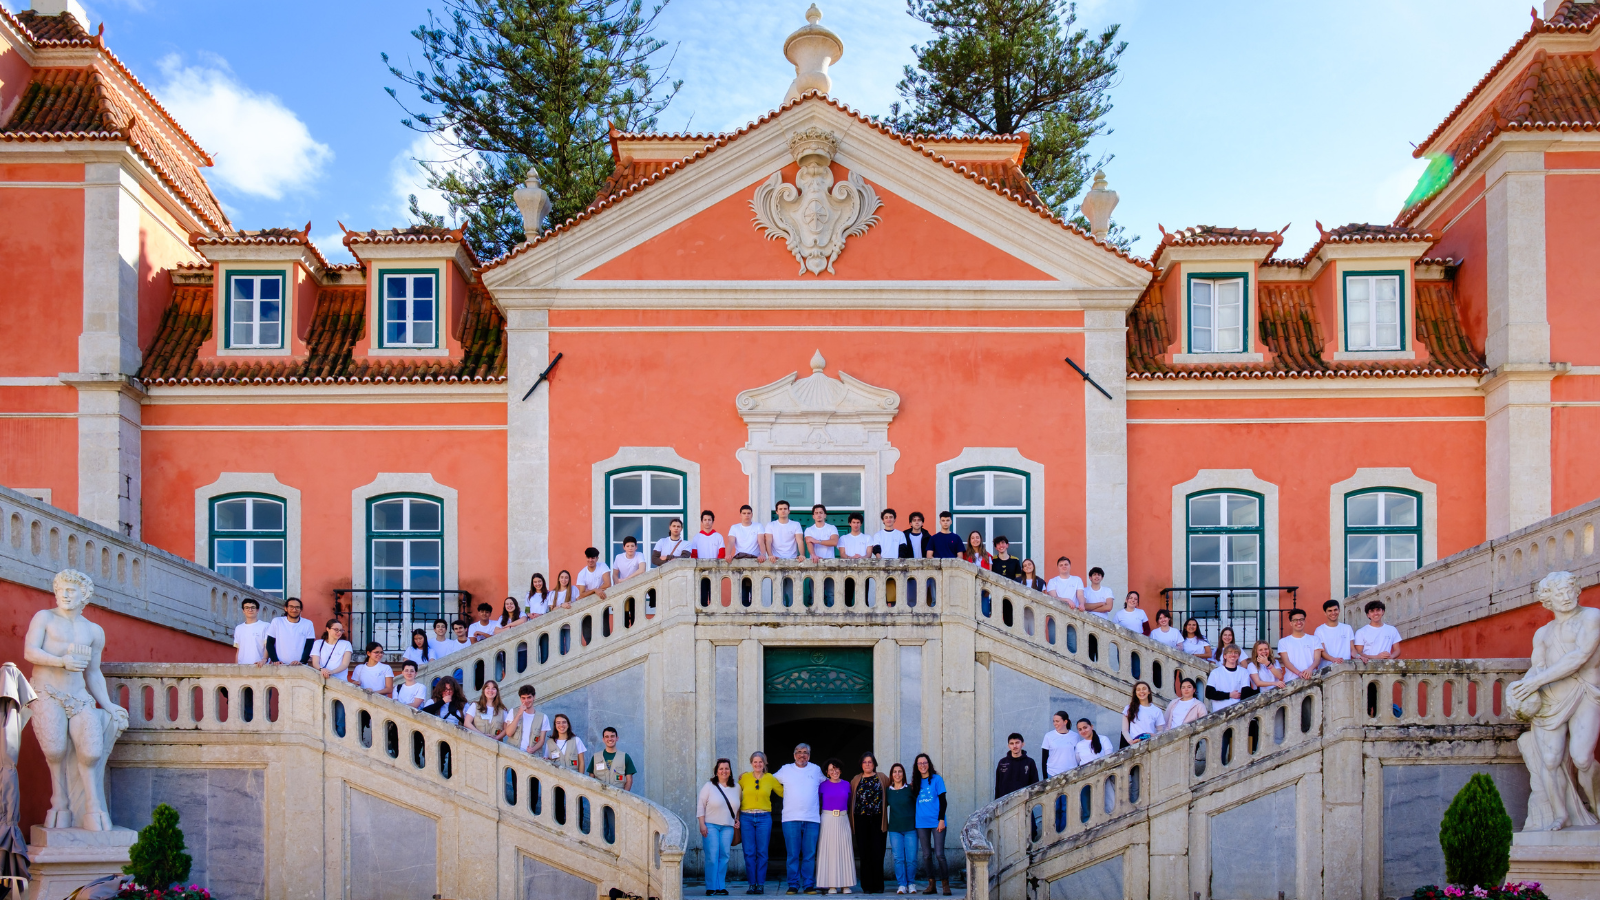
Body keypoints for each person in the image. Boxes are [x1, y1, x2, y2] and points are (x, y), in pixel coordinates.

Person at [774, 743, 825, 895]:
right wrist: (747, 776)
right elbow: (768, 780)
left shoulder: (815, 769)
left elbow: (828, 783)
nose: (802, 755)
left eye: (805, 752)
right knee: (793, 854)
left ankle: (809, 884)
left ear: (809, 755)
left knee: (809, 854)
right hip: (790, 818)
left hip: (812, 819)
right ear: (794, 754)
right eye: (799, 752)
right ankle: (793, 884)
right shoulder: (785, 769)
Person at [739, 751, 783, 896]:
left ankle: (761, 884)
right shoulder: (744, 778)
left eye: (760, 762)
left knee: (762, 852)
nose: (758, 764)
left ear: (765, 763)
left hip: (764, 817)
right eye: (755, 762)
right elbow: (734, 794)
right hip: (746, 817)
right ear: (751, 763)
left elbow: (784, 792)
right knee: (749, 852)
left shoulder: (770, 778)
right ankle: (752, 884)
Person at [698, 758, 742, 897]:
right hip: (710, 825)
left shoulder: (736, 787)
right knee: (712, 856)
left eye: (727, 768)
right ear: (716, 772)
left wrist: (737, 820)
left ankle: (720, 886)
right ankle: (711, 887)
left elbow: (738, 806)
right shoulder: (709, 786)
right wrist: (702, 824)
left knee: (724, 856)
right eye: (721, 768)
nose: (724, 771)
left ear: (730, 771)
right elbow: (701, 805)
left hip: (728, 827)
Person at [850, 753, 891, 894]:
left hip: (878, 820)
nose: (867, 764)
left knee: (878, 853)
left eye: (870, 762)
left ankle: (878, 885)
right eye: (864, 762)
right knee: (864, 853)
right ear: (861, 764)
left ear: (874, 764)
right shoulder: (856, 779)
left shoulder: (882, 777)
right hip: (861, 820)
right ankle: (867, 886)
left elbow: (893, 790)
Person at [815, 759, 857, 895]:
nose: (834, 772)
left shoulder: (847, 785)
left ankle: (846, 884)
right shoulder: (822, 786)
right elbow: (818, 803)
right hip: (827, 819)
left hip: (843, 819)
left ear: (841, 770)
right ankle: (831, 884)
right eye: (831, 770)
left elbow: (851, 803)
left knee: (845, 850)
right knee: (829, 851)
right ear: (827, 772)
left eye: (837, 769)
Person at [911, 754, 949, 896]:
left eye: (925, 762)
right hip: (921, 823)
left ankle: (945, 884)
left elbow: (943, 801)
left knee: (939, 854)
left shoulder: (937, 779)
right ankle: (931, 884)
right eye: (919, 763)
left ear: (929, 764)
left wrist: (941, 820)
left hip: (936, 822)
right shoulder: (915, 782)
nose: (922, 765)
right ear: (916, 765)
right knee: (926, 855)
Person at [885, 763, 918, 895]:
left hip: (910, 829)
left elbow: (919, 805)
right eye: (894, 772)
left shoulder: (910, 789)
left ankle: (911, 883)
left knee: (911, 858)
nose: (897, 774)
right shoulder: (888, 791)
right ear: (891, 775)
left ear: (903, 774)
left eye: (900, 772)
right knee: (898, 858)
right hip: (895, 829)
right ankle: (902, 885)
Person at [1205, 644, 1256, 712]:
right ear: (1224, 656)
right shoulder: (1215, 672)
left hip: (1237, 712)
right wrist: (1229, 695)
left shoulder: (1244, 672)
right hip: (1219, 712)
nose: (1233, 655)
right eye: (1230, 652)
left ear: (1238, 656)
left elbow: (1245, 693)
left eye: (1236, 653)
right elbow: (1209, 693)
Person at [264, 597, 314, 665]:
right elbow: (269, 643)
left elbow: (309, 645)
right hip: (279, 665)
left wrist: (302, 662)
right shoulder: (277, 622)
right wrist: (275, 660)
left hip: (300, 666)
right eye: (291, 607)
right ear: (286, 608)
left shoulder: (308, 624)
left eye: (297, 607)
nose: (294, 609)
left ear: (300, 610)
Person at [1277, 609, 1322, 682]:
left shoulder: (1314, 639)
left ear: (1305, 621)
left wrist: (1310, 669)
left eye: (1301, 619)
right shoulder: (1283, 642)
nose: (1299, 622)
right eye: (1295, 620)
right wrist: (1299, 673)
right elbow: (1286, 661)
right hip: (1291, 680)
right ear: (1291, 623)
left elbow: (1317, 659)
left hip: (1311, 679)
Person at [587, 725, 636, 791]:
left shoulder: (625, 757)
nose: (610, 739)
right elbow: (591, 778)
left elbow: (629, 781)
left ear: (617, 738)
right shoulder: (596, 757)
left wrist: (624, 797)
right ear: (603, 739)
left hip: (618, 797)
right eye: (607, 737)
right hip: (600, 797)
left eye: (612, 736)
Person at [503, 685, 549, 755]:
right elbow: (509, 733)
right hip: (513, 754)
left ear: (534, 697)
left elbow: (542, 740)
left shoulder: (543, 717)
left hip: (532, 757)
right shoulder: (513, 712)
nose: (526, 701)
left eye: (529, 697)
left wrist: (533, 749)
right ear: (520, 699)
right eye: (523, 698)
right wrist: (519, 714)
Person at [993, 733, 1039, 798]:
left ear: (1022, 744)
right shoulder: (1002, 762)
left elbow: (1035, 784)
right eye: (1011, 743)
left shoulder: (1030, 762)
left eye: (1017, 743)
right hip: (1005, 802)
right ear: (1008, 746)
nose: (1014, 746)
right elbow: (998, 785)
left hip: (1023, 801)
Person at [1315, 599, 1355, 669]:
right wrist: (1333, 659)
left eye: (1335, 610)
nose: (1333, 613)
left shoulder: (1347, 628)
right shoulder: (1319, 630)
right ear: (1325, 613)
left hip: (1345, 668)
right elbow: (1321, 652)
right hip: (1327, 670)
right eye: (1330, 611)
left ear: (1339, 610)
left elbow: (1352, 649)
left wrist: (1358, 656)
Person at [1039, 711, 1079, 780]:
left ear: (1065, 722)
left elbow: (1078, 756)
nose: (1055, 723)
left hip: (1071, 774)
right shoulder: (1048, 736)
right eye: (1054, 721)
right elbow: (1044, 758)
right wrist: (1045, 778)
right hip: (1052, 774)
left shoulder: (1075, 736)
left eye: (1057, 721)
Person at [1122, 682, 1165, 746]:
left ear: (1149, 691)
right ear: (1135, 693)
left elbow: (1160, 731)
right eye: (1138, 690)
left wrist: (1153, 735)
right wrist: (1132, 742)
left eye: (1144, 689)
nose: (1141, 691)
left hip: (1151, 743)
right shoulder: (1129, 708)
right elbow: (1125, 730)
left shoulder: (1157, 710)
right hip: (1135, 743)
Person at [233, 598, 269, 666]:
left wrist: (264, 660)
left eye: (253, 607)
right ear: (243, 610)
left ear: (257, 610)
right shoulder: (238, 628)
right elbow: (238, 650)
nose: (250, 610)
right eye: (247, 608)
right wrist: (236, 666)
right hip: (242, 666)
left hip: (260, 666)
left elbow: (268, 646)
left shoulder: (265, 626)